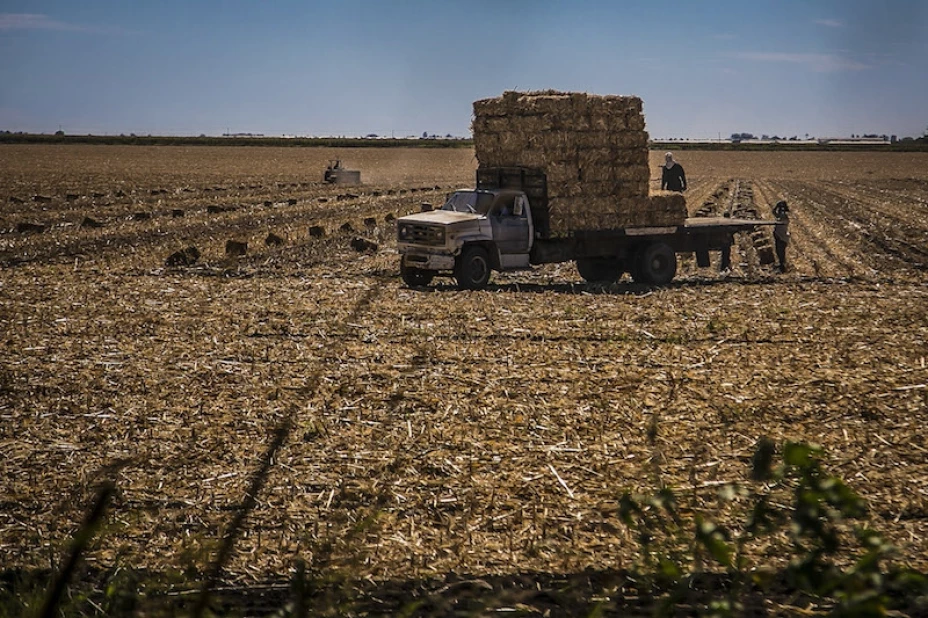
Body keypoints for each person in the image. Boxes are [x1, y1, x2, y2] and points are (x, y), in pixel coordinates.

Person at [772, 200, 790, 273]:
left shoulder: (783, 216)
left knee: (781, 253)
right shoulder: (781, 216)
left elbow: (775, 213)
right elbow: (774, 212)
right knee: (779, 252)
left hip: (781, 237)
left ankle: (783, 268)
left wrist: (777, 206)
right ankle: (782, 266)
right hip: (779, 236)